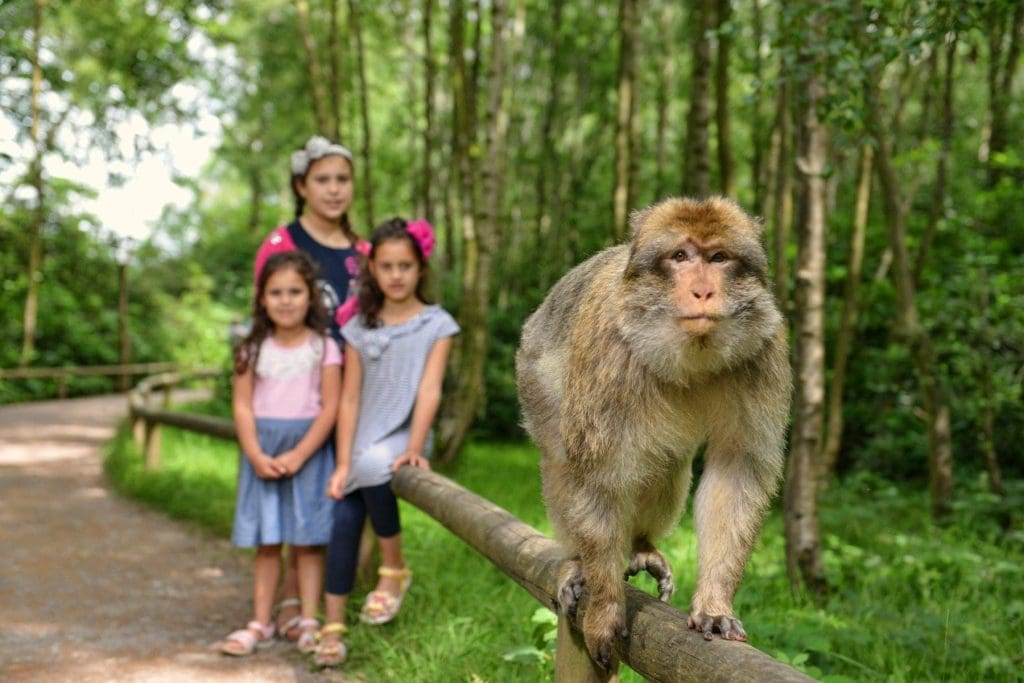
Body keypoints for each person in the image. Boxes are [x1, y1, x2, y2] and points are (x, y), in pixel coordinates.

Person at [313, 218, 459, 668]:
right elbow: (350, 398)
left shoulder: (437, 324)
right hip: (361, 435)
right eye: (387, 266)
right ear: (371, 269)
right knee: (344, 517)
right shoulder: (358, 326)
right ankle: (333, 627)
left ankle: (394, 569)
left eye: (406, 266)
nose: (396, 275)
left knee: (379, 464)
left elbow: (430, 390)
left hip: (402, 434)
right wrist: (341, 464)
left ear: (420, 269)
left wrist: (416, 446)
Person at [253, 135, 369, 641]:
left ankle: (339, 598)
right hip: (296, 394)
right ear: (302, 186)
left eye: (342, 179)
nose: (334, 189)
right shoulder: (281, 246)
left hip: (352, 392)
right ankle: (288, 600)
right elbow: (263, 316)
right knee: (284, 500)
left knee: (337, 496)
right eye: (322, 179)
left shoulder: (364, 254)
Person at [220, 251, 342, 656]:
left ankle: (308, 620)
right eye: (276, 292)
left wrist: (301, 454)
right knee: (268, 542)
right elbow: (241, 406)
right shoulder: (249, 350)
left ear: (311, 297)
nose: (286, 300)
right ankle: (260, 621)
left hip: (307, 454)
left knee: (307, 541)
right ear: (262, 299)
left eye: (295, 291)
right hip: (262, 454)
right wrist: (255, 453)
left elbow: (330, 406)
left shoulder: (324, 348)